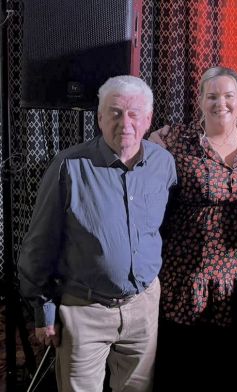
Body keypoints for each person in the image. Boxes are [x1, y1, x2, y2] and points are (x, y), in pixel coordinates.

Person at [18, 75, 177, 391]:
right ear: (100, 117)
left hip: (143, 307)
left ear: (148, 119)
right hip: (84, 310)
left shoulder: (164, 164)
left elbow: (160, 229)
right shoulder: (69, 166)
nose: (125, 123)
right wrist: (44, 311)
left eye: (134, 114)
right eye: (115, 113)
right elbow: (39, 246)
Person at [149, 66, 237, 390]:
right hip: (189, 272)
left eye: (229, 96)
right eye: (212, 96)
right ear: (200, 101)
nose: (221, 103)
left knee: (232, 366)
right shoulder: (176, 138)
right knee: (189, 365)